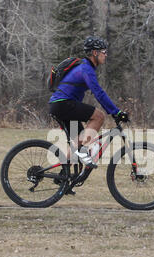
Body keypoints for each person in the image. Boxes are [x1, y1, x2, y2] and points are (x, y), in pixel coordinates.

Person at [49, 36, 129, 169]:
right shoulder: (86, 69)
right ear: (95, 53)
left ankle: (63, 177)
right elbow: (99, 93)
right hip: (63, 104)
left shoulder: (86, 68)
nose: (106, 55)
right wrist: (116, 112)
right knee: (99, 116)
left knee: (77, 144)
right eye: (104, 52)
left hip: (60, 105)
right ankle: (82, 152)